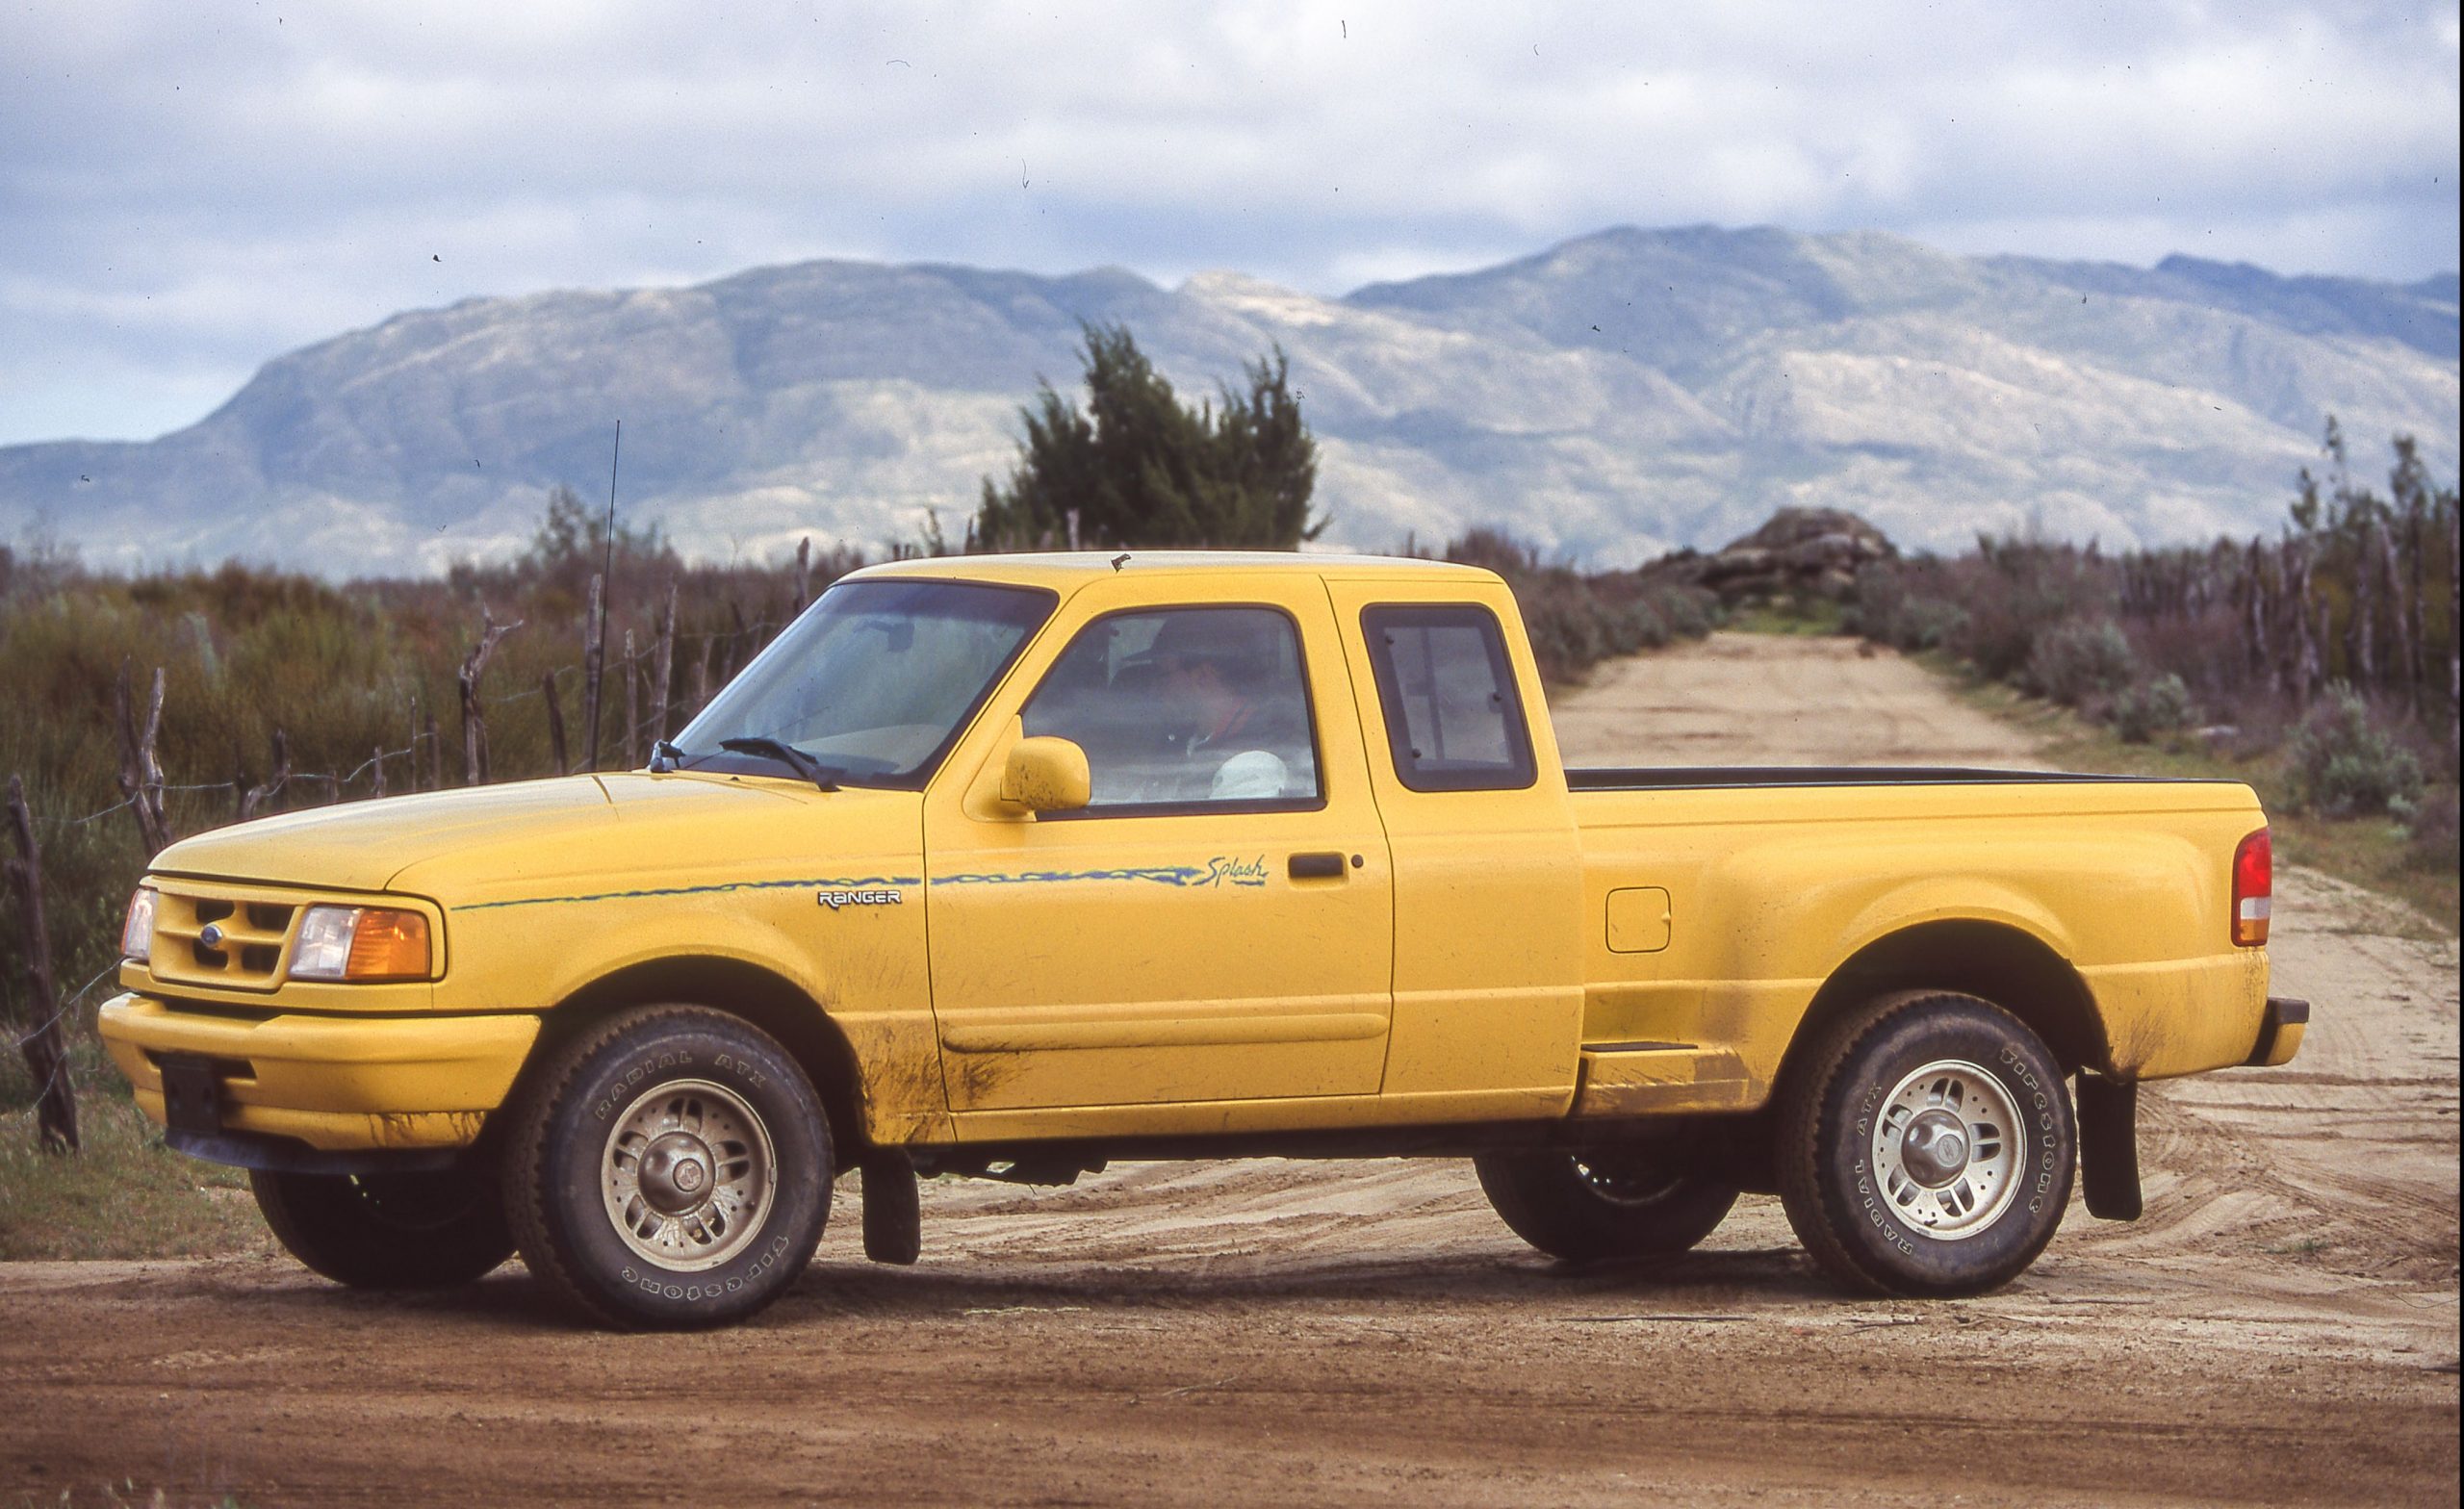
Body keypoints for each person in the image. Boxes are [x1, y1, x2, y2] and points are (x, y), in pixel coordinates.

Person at [1146, 614, 1308, 802]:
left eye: (1161, 675)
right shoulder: (1187, 740)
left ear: (1203, 677)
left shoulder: (1253, 763)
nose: (1153, 689)